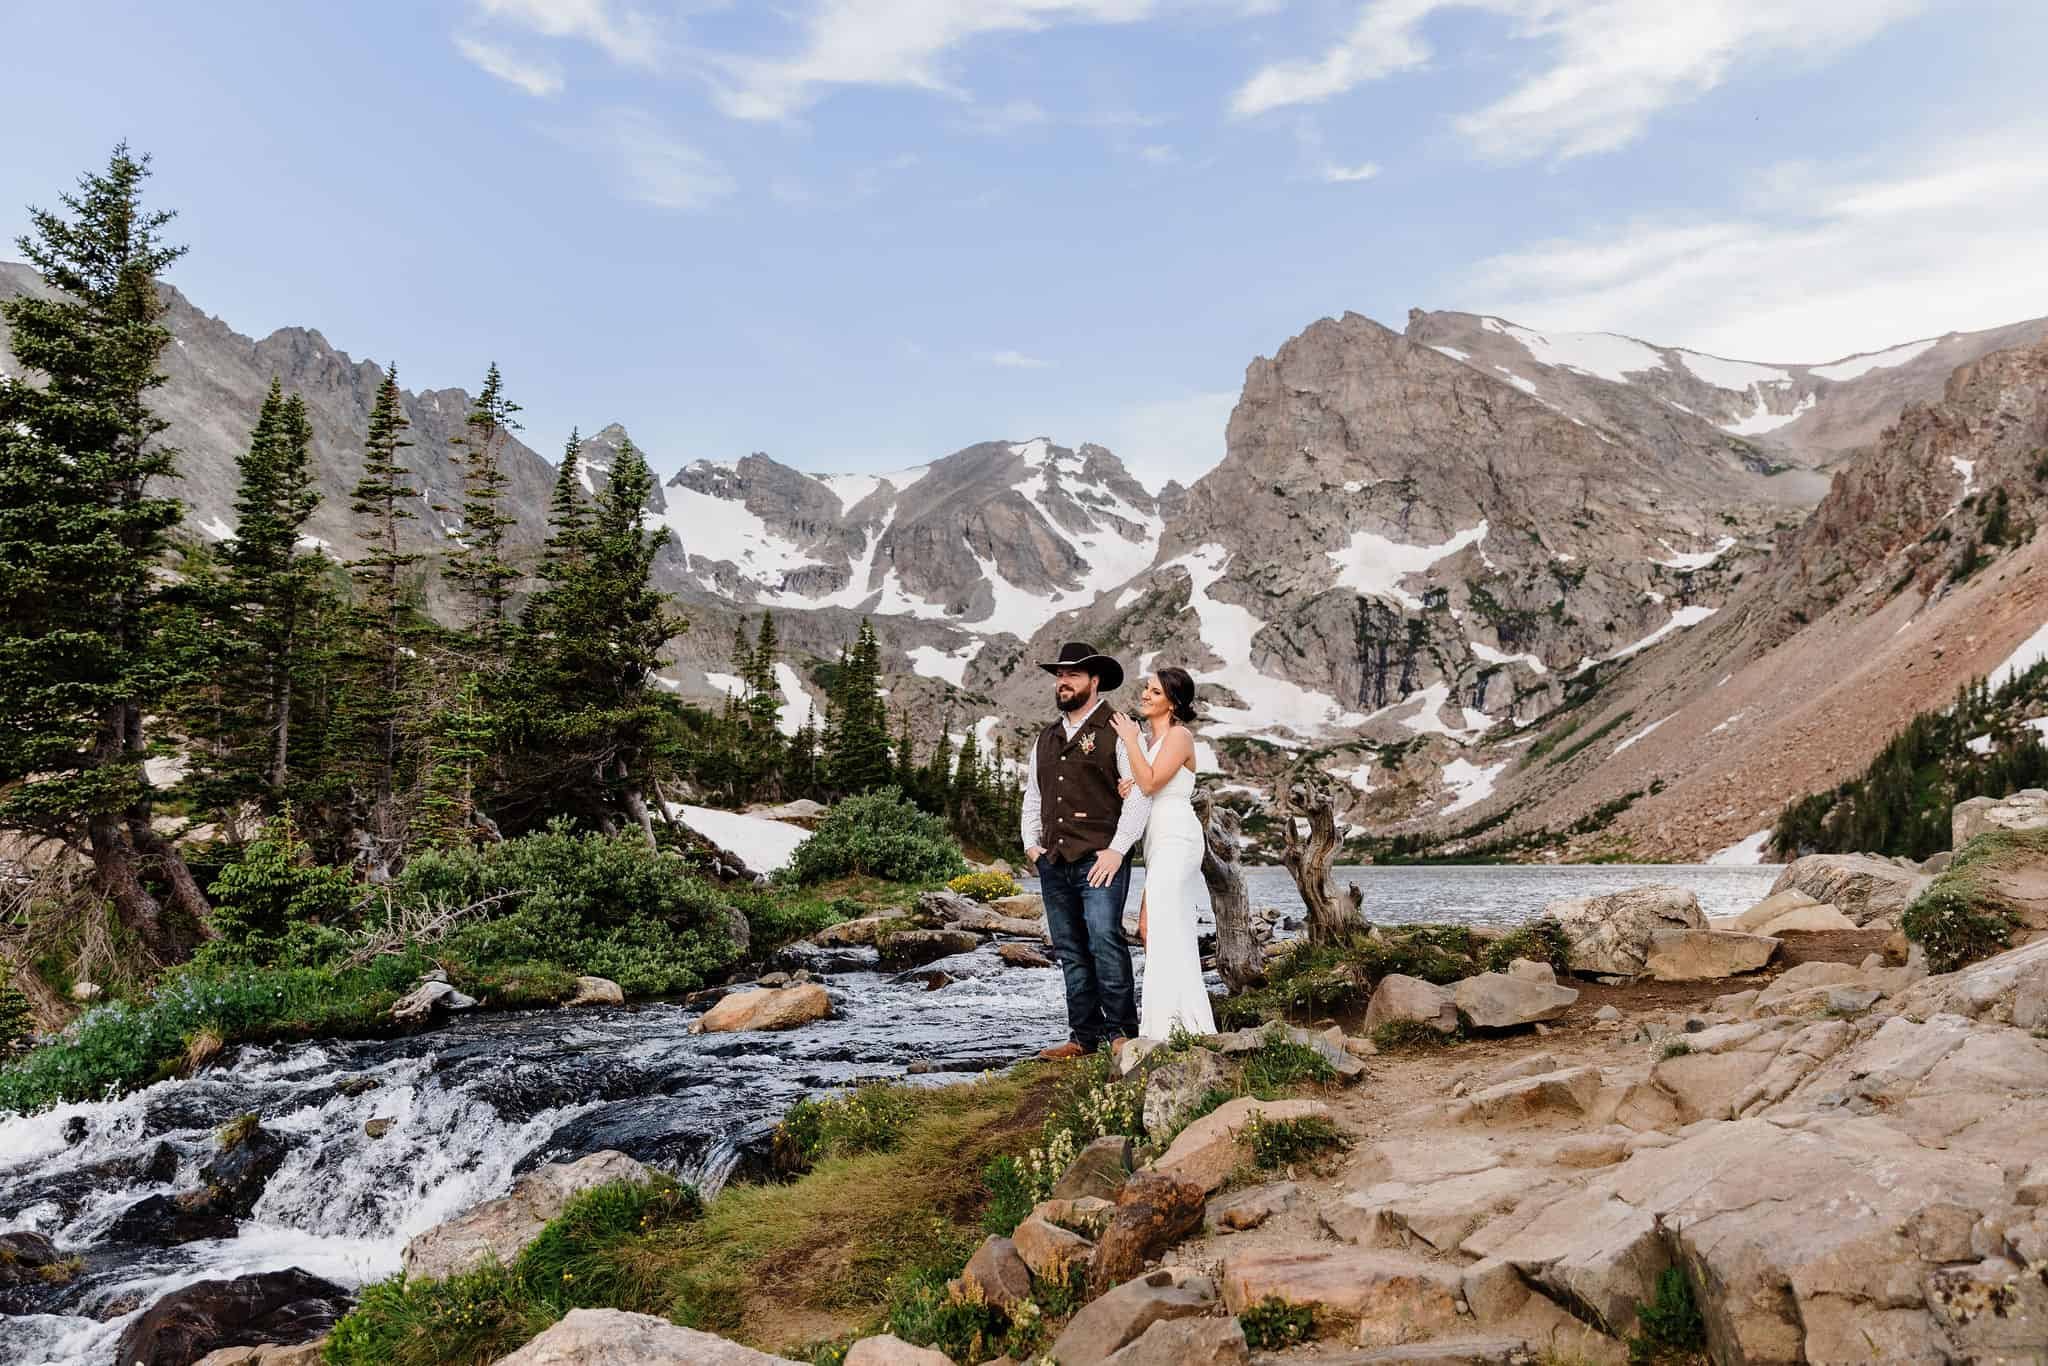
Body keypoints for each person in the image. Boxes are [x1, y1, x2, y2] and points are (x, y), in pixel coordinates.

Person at [1022, 642, 1150, 1060]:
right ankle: (1083, 1038)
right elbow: (1033, 794)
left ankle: (1120, 1034)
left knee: (1105, 941)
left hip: (1102, 860)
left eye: (1073, 675)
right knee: (1070, 951)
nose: (1063, 681)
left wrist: (1116, 850)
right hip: (1054, 862)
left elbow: (1139, 797)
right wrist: (1031, 845)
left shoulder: (1118, 728)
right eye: (1060, 675)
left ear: (1094, 681)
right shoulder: (1046, 737)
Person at [1109, 667, 1216, 1039]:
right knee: (1149, 927)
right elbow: (1145, 783)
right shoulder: (1153, 743)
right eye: (1146, 689)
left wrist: (1130, 740)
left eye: (1154, 692)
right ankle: (1166, 1024)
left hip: (1177, 837)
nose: (1145, 695)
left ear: (1173, 702)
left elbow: (1153, 782)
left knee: (1166, 927)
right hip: (1157, 843)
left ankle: (1181, 1029)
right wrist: (1130, 785)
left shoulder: (1179, 736)